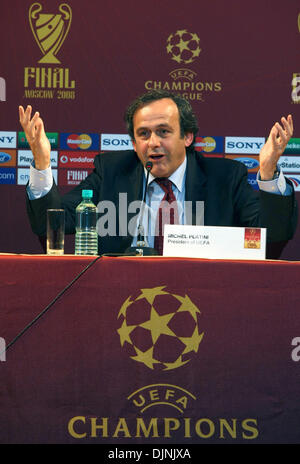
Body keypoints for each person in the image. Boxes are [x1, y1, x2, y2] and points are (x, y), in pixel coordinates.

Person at [19, 89, 297, 257]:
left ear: (187, 136)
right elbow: (54, 221)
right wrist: (43, 163)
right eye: (143, 134)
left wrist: (269, 170)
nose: (153, 142)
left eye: (163, 132)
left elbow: (272, 235)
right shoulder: (113, 172)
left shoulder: (225, 177)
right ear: (134, 143)